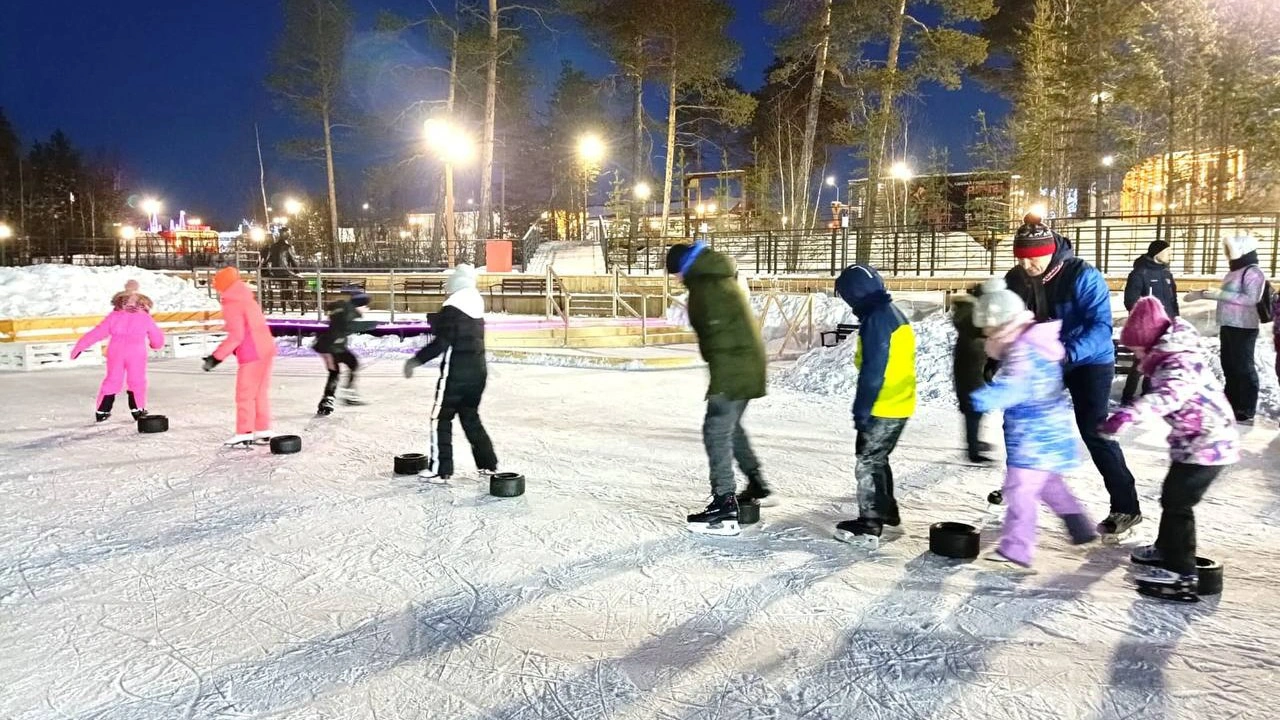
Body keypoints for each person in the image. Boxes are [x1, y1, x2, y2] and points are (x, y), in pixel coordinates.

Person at [1004, 214, 1142, 539]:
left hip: (1087, 360)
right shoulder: (1015, 279)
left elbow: (1100, 328)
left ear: (1050, 251)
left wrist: (1066, 352)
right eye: (1021, 258)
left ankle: (1127, 507)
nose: (1027, 265)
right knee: (1020, 421)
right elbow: (1006, 321)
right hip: (1043, 360)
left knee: (1095, 430)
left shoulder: (1082, 275)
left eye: (1033, 258)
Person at [1103, 296, 1239, 602]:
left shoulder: (1178, 362)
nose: (1136, 357)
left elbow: (1169, 396)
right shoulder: (1169, 356)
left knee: (1179, 504)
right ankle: (1166, 548)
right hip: (1195, 442)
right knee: (1171, 497)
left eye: (1137, 349)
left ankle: (1181, 573)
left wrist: (1130, 413)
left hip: (1210, 444)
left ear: (1149, 342)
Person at [970, 277, 1096, 568]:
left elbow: (1018, 387)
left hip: (1032, 436)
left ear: (1001, 324)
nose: (986, 334)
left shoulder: (1022, 350)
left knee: (1020, 491)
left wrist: (984, 398)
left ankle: (1017, 550)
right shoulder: (1035, 343)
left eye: (988, 328)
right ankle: (1079, 525)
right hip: (1049, 431)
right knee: (1050, 483)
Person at [664, 241, 768, 537]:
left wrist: (720, 381)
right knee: (730, 428)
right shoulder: (718, 278)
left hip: (734, 368)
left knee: (716, 430)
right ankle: (756, 480)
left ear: (685, 267)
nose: (677, 280)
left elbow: (721, 338)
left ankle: (724, 505)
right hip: (746, 365)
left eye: (676, 274)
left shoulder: (706, 288)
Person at [833, 264, 916, 548]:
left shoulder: (877, 320)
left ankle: (870, 522)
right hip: (900, 402)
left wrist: (862, 409)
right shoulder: (892, 313)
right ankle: (887, 512)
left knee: (867, 461)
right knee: (878, 458)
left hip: (883, 405)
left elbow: (873, 370)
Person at [403, 264, 498, 481]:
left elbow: (441, 343)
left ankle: (440, 469)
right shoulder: (476, 306)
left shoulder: (453, 307)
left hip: (455, 373)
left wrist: (416, 360)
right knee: (470, 416)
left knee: (440, 418)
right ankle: (488, 463)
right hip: (478, 372)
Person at [1184, 235, 1270, 424]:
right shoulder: (1234, 271)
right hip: (1228, 324)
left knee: (1243, 366)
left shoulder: (1253, 272)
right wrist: (1203, 294)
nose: (1227, 254)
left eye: (1229, 250)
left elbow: (1251, 299)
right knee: (1229, 366)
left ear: (1242, 250)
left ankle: (1246, 407)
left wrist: (1219, 294)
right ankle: (1231, 403)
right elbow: (1228, 296)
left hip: (1244, 326)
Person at [203, 267, 277, 446]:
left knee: (244, 394)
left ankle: (244, 432)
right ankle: (263, 429)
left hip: (252, 352)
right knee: (259, 393)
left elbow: (237, 335)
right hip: (266, 347)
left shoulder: (232, 302)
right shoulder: (245, 297)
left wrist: (216, 357)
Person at [70, 290, 166, 422]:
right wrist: (156, 345)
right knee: (136, 380)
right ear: (143, 304)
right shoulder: (145, 317)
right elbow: (157, 336)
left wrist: (79, 347)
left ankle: (102, 410)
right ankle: (138, 410)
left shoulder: (114, 316)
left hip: (116, 351)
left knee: (112, 379)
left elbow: (97, 332)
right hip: (136, 352)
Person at [1121, 240, 1179, 405]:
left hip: (1166, 326)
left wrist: (1176, 320)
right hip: (1148, 327)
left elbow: (1173, 301)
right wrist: (1146, 319)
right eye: (1167, 251)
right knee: (1141, 362)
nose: (1170, 255)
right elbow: (1131, 301)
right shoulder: (1140, 273)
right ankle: (1127, 396)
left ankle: (1147, 394)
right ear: (1157, 253)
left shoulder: (1167, 274)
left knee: (1157, 362)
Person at [313, 288, 378, 415]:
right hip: (329, 347)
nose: (367, 309)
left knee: (352, 364)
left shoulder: (346, 308)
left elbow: (336, 315)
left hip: (335, 346)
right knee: (335, 372)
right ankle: (328, 399)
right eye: (366, 306)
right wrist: (368, 325)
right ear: (360, 305)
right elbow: (343, 325)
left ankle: (344, 395)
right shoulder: (348, 311)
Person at [952, 283, 992, 463]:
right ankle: (973, 450)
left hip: (970, 365)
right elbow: (980, 330)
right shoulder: (972, 314)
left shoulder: (970, 312)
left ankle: (974, 442)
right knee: (973, 409)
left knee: (975, 408)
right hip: (970, 368)